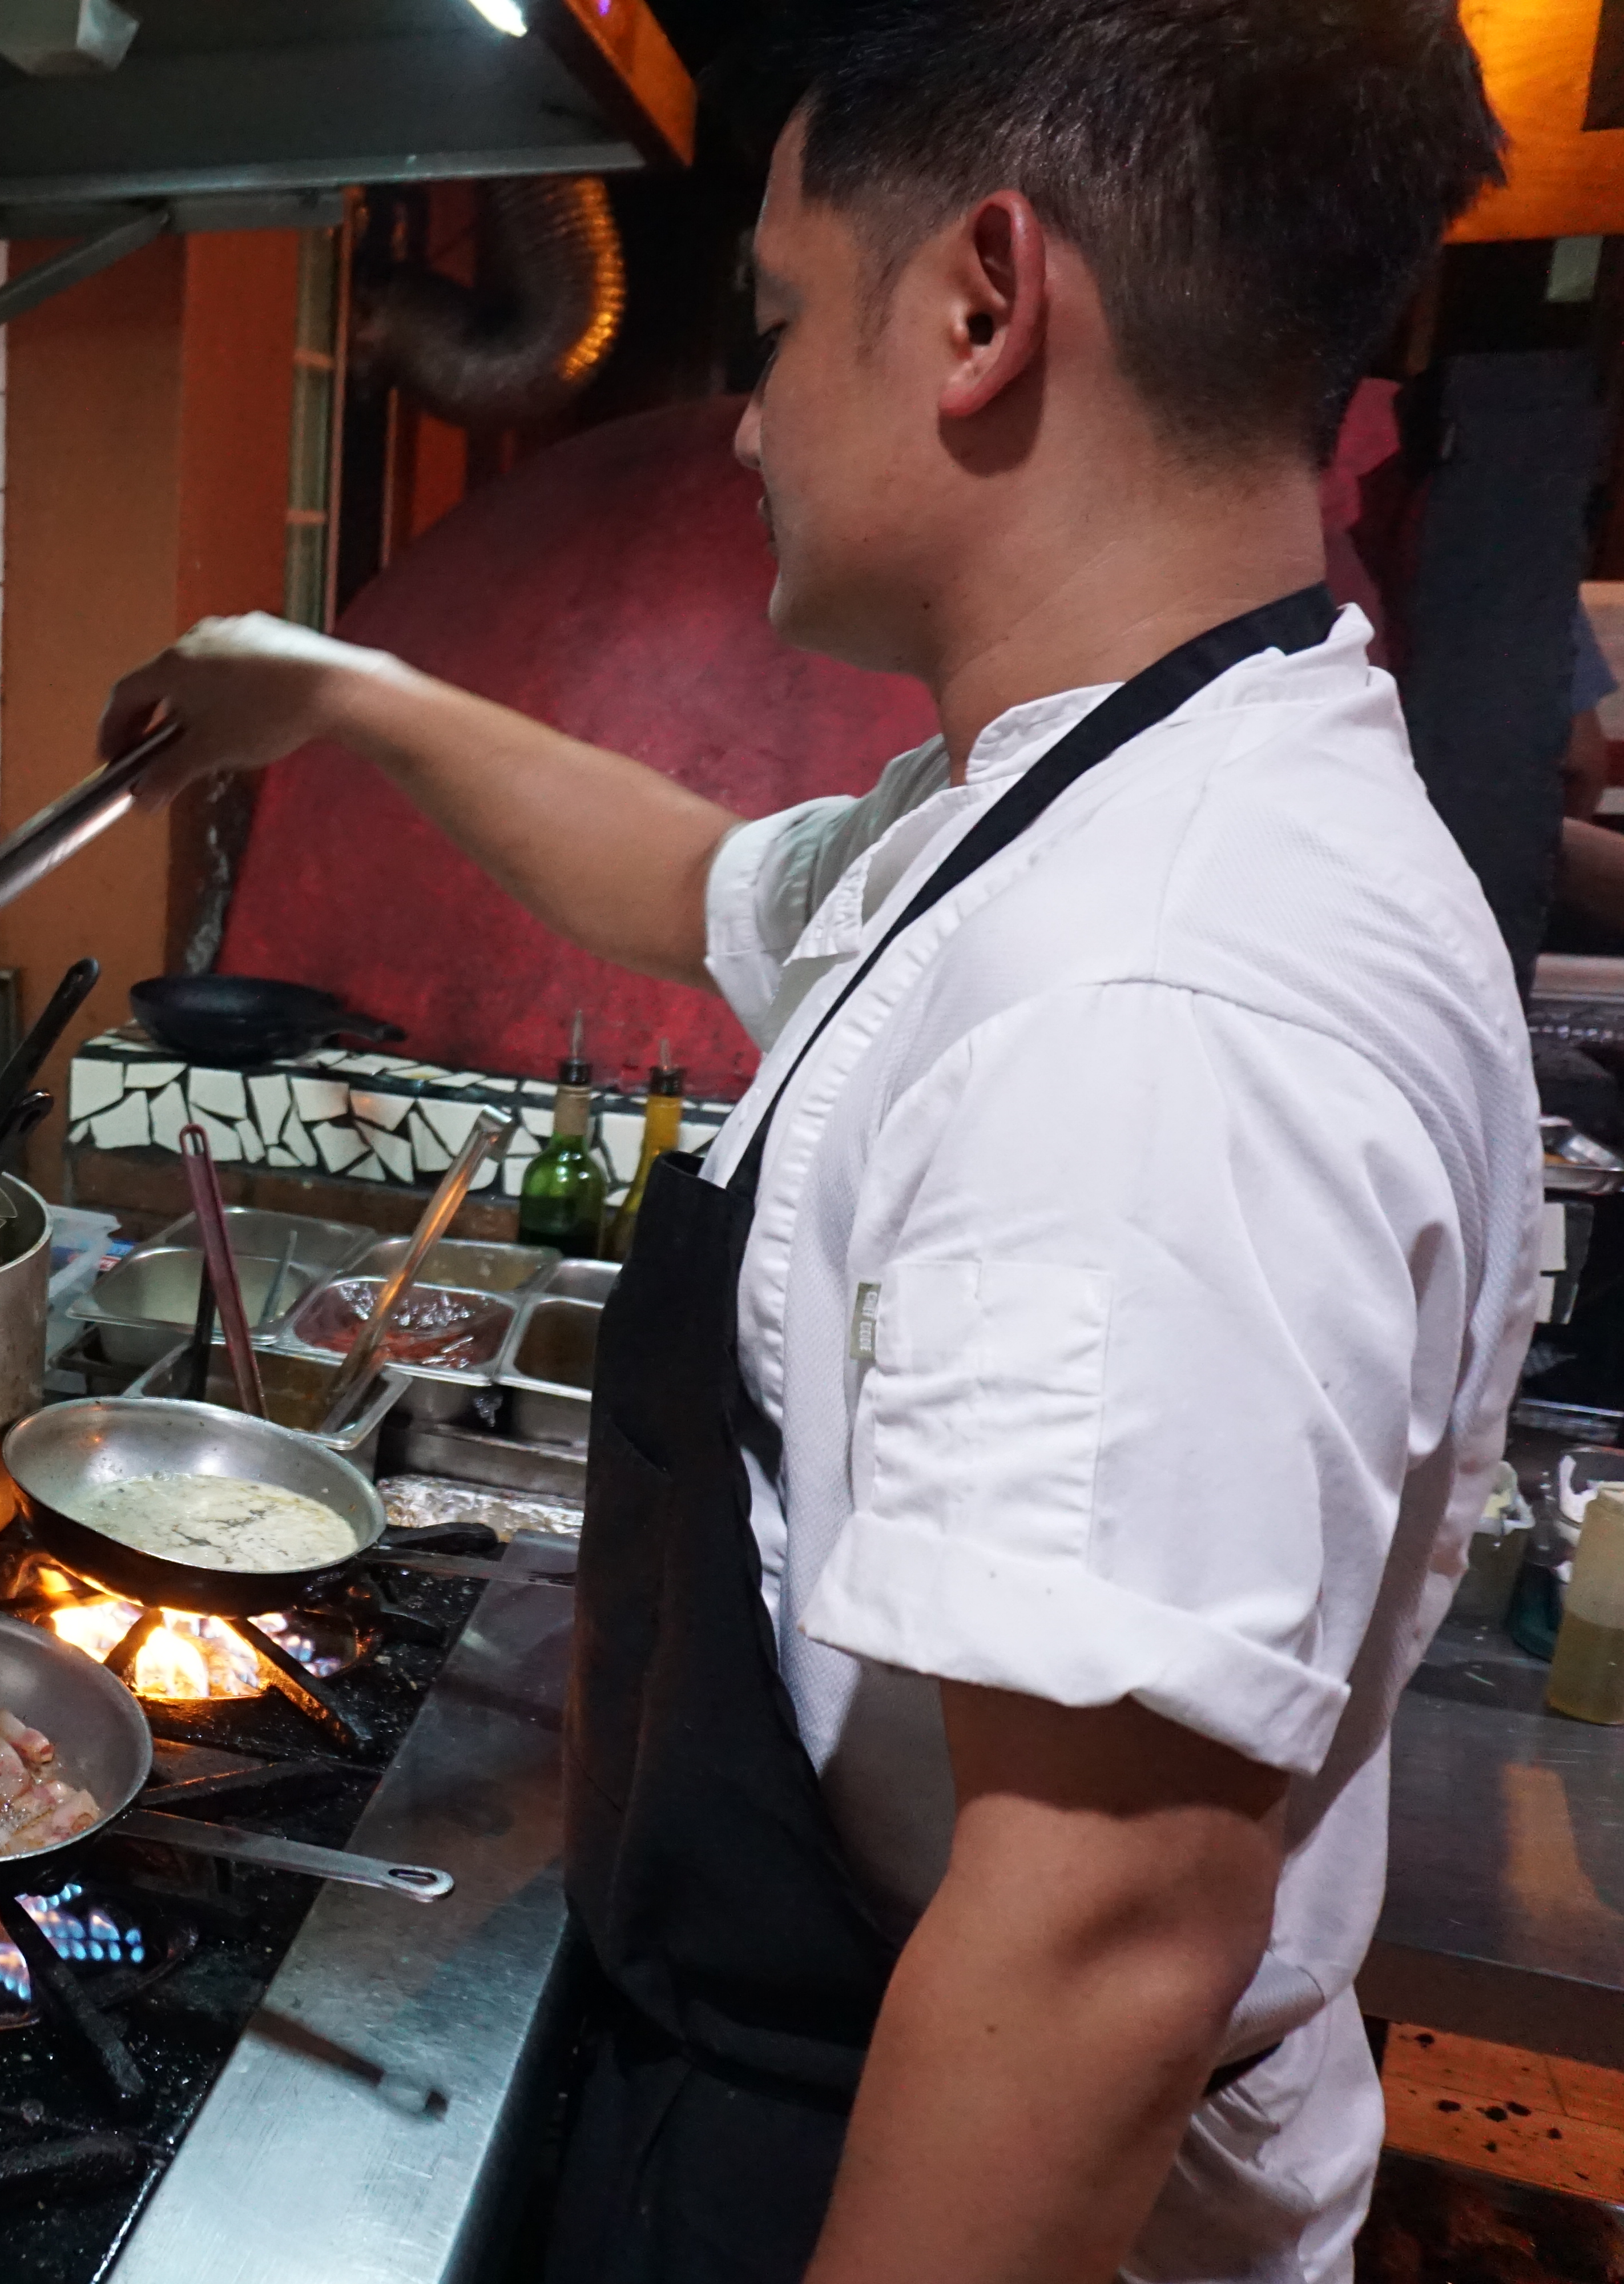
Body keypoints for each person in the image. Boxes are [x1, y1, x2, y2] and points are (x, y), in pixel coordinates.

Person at [99, 6, 1532, 2281]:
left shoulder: (1160, 990)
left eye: (770, 323)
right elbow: (692, 881)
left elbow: (1097, 1946)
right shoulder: (1061, 807)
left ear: (980, 303)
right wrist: (346, 690)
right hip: (793, 2070)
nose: (746, 415)